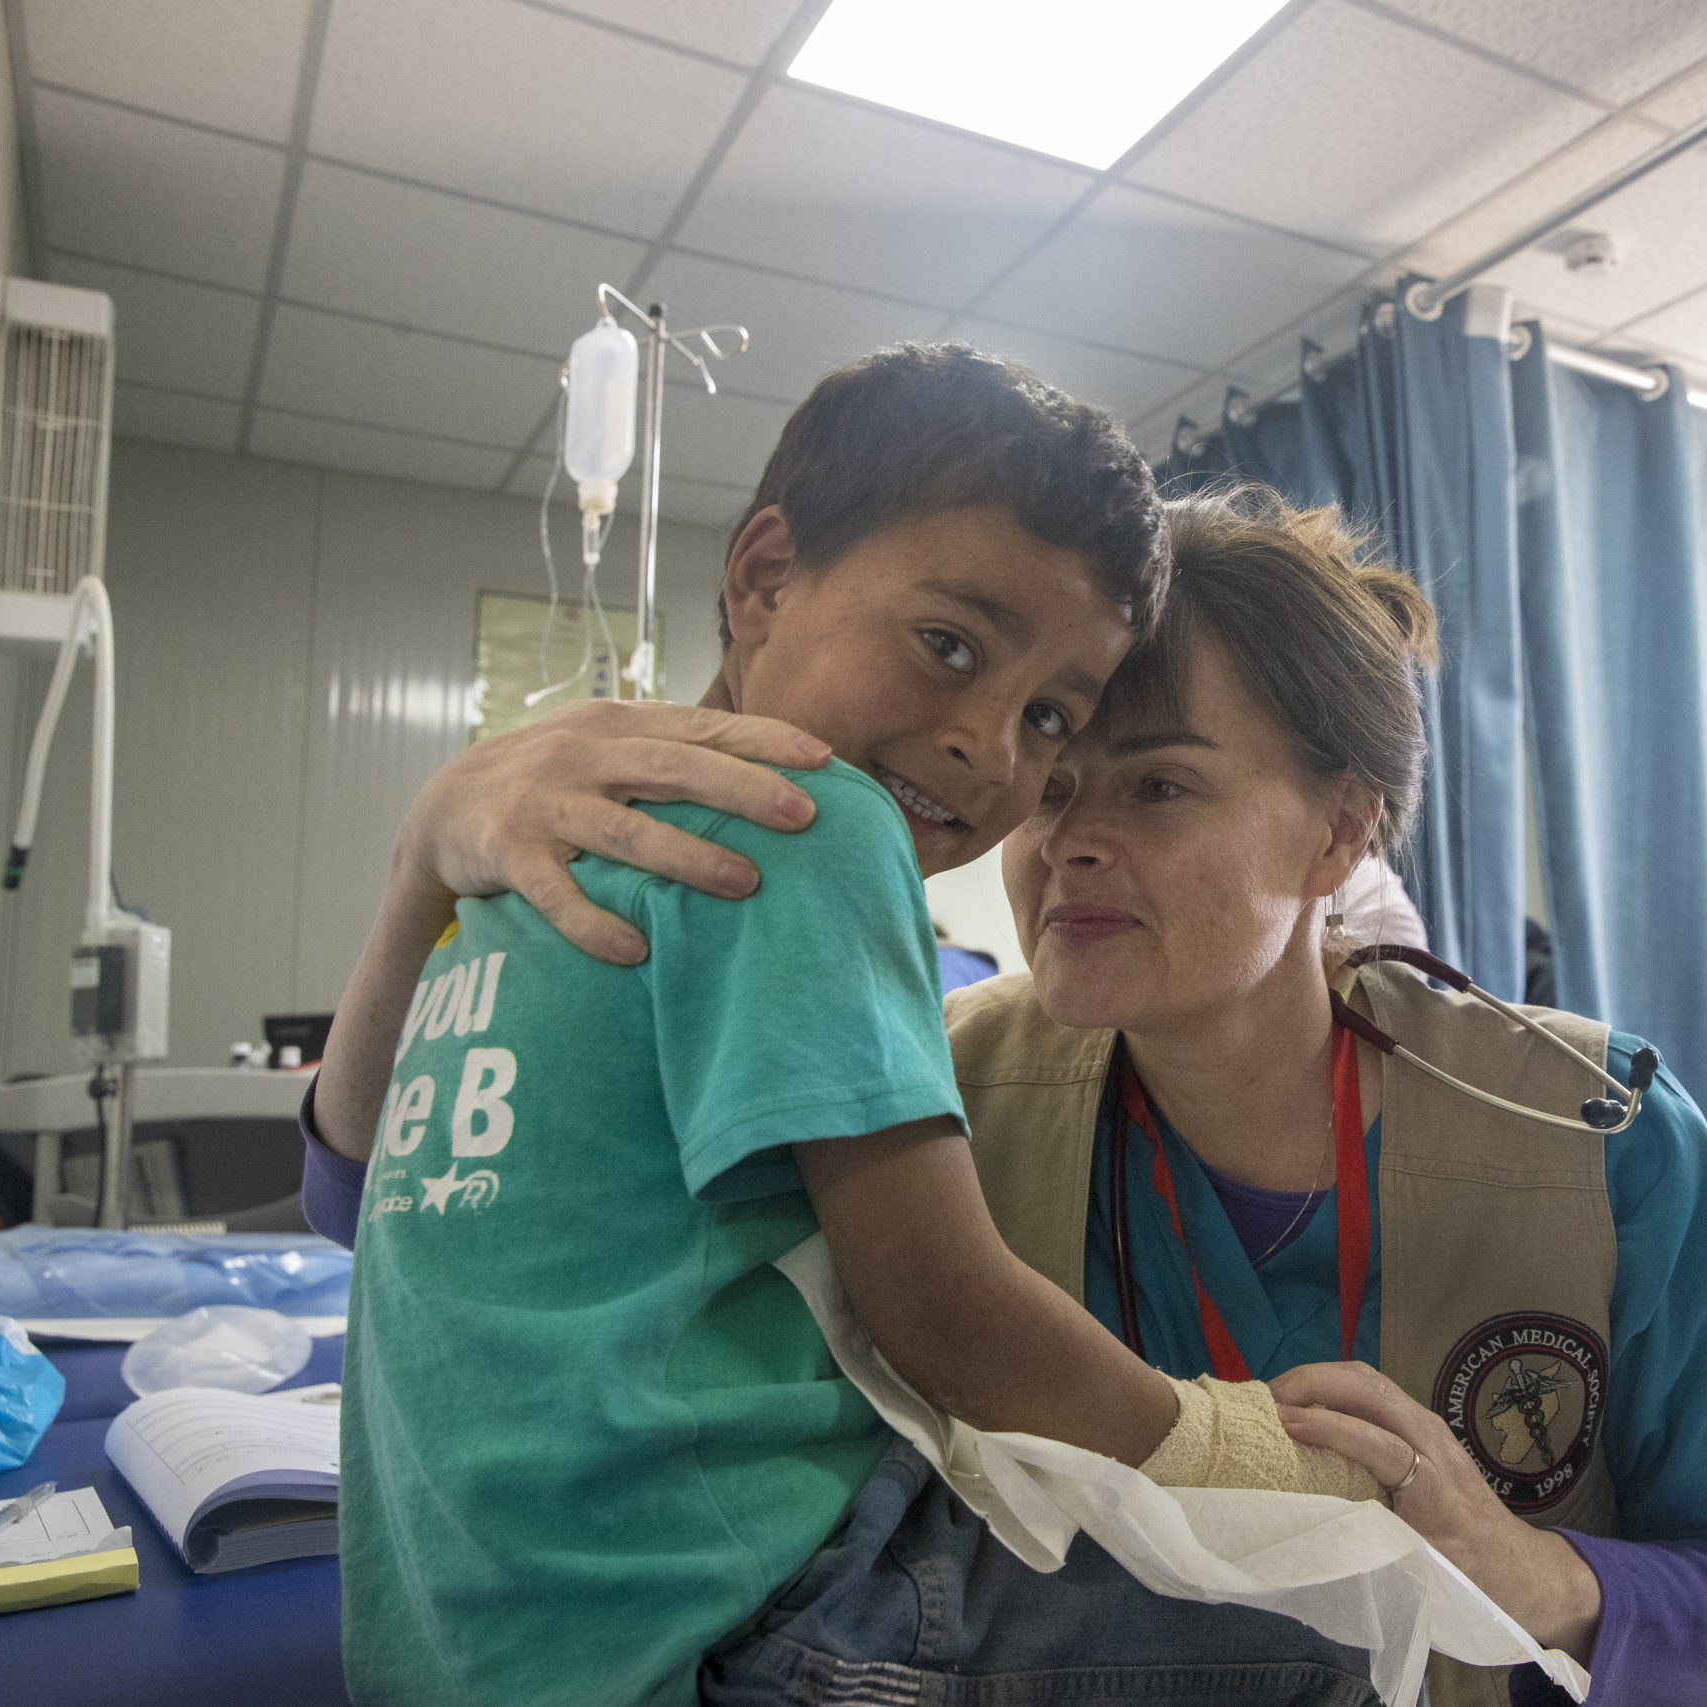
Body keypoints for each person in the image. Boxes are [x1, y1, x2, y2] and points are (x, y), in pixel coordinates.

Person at [310, 487, 1707, 1707]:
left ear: (1340, 834)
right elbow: (371, 1200)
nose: (1066, 837)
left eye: (1160, 785)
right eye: (1055, 776)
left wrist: (1554, 1584)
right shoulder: (938, 1086)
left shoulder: (1588, 1136)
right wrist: (422, 868)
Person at [315, 352, 1380, 1707]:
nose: (995, 749)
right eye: (950, 645)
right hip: (725, 1617)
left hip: (454, 1632)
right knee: (1331, 1655)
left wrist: (423, 855)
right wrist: (1246, 1452)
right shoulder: (812, 821)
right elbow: (942, 1310)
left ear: (1345, 839)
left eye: (1050, 717)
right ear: (764, 580)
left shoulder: (528, 843)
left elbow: (356, 1183)